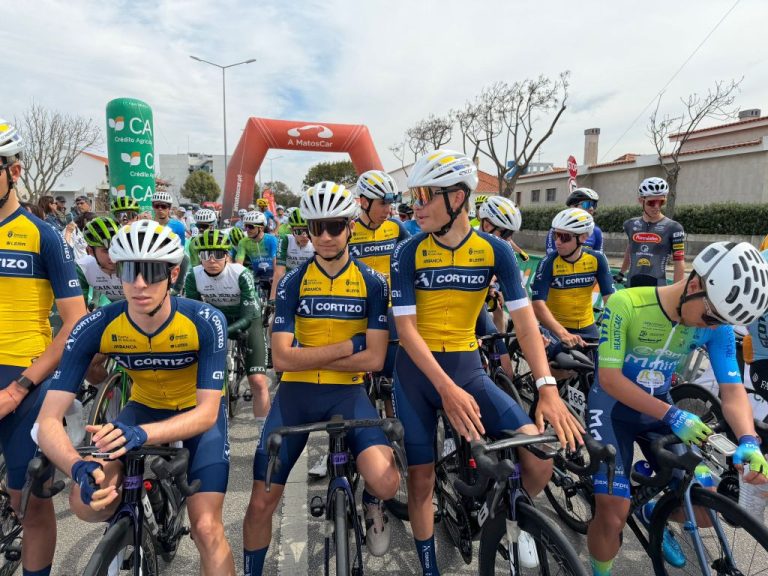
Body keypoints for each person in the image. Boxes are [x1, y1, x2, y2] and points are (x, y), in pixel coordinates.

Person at [392, 150, 583, 575]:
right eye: (414, 196)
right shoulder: (407, 252)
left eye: (424, 195)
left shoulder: (495, 250)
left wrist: (547, 387)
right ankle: (429, 568)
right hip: (418, 374)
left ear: (457, 198)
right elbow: (406, 331)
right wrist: (446, 389)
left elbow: (525, 323)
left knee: (540, 457)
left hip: (466, 368)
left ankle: (507, 517)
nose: (415, 205)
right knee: (421, 481)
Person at [37, 219, 236, 575]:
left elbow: (208, 413)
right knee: (84, 503)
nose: (140, 284)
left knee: (206, 529)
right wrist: (77, 466)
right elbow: (48, 420)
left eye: (152, 272)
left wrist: (143, 434)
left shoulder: (205, 320)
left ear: (173, 275)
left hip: (195, 415)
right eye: (130, 271)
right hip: (143, 408)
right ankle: (131, 516)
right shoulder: (97, 324)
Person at [243, 181, 399, 575]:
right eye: (316, 227)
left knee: (386, 483)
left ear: (350, 227)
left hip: (348, 394)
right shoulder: (293, 282)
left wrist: (309, 358)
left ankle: (371, 503)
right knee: (260, 503)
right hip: (296, 397)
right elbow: (282, 360)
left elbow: (376, 358)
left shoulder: (373, 283)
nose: (325, 236)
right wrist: (349, 346)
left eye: (334, 226)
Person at [587, 240, 768, 576]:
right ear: (695, 285)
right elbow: (609, 379)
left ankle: (654, 510)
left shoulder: (717, 327)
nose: (712, 327)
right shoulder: (628, 303)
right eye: (711, 316)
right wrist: (672, 414)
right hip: (612, 409)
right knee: (612, 514)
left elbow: (732, 390)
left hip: (659, 409)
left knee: (706, 506)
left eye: (722, 321)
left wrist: (748, 439)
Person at [0, 118, 86, 576]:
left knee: (29, 504)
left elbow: (75, 323)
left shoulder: (43, 235)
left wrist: (19, 388)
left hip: (22, 378)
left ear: (13, 171)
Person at [186, 230, 270, 420]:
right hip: (219, 318)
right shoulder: (194, 275)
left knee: (258, 381)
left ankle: (264, 432)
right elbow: (193, 314)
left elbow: (248, 316)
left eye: (217, 254)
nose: (211, 260)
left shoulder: (240, 273)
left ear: (227, 256)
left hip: (247, 318)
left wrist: (221, 331)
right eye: (206, 254)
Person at [531, 208, 614, 347]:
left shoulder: (597, 259)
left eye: (564, 237)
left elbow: (610, 299)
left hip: (588, 327)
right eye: (556, 236)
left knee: (601, 360)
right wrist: (563, 333)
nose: (558, 242)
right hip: (555, 328)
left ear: (583, 237)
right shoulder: (548, 262)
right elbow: (537, 304)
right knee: (562, 360)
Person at [616, 177, 685, 288]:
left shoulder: (674, 228)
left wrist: (677, 291)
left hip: (658, 289)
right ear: (641, 200)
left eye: (661, 202)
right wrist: (621, 272)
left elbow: (679, 262)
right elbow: (630, 248)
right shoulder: (630, 224)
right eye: (651, 203)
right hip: (631, 285)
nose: (656, 207)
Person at [269, 207, 314, 300]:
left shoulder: (316, 243)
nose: (304, 235)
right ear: (292, 231)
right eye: (299, 231)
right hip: (290, 280)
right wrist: (273, 298)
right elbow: (279, 272)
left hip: (311, 282)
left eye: (307, 231)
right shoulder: (285, 239)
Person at [545, 187, 603, 254]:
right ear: (573, 206)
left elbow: (598, 256)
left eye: (594, 205)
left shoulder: (596, 231)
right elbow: (551, 255)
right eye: (587, 204)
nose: (591, 208)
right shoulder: (557, 229)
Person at [236, 211, 278, 298]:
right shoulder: (243, 242)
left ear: (261, 228)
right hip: (256, 275)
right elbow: (239, 263)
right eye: (246, 226)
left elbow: (275, 260)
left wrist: (275, 277)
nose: (247, 230)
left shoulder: (271, 239)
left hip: (272, 273)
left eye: (251, 227)